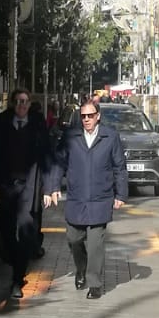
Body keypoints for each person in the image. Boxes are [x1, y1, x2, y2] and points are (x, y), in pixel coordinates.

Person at [45, 97, 128, 299]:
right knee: (74, 239)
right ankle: (80, 269)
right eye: (83, 116)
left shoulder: (110, 137)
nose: (87, 119)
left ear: (98, 116)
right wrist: (52, 187)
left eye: (91, 115)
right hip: (77, 198)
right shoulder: (71, 136)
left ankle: (95, 284)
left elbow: (119, 167)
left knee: (95, 244)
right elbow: (58, 163)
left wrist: (121, 194)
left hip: (101, 198)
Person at [0, 88, 50, 300]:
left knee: (26, 230)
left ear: (29, 104)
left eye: (25, 101)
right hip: (7, 186)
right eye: (17, 101)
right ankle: (14, 259)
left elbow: (46, 155)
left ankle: (17, 279)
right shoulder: (1, 125)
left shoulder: (37, 126)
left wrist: (47, 186)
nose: (21, 105)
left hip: (30, 186)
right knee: (7, 233)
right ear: (12, 104)